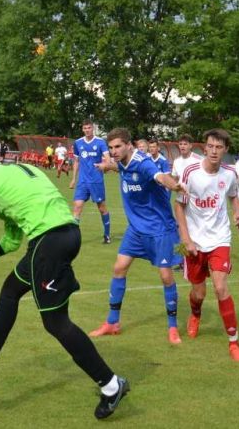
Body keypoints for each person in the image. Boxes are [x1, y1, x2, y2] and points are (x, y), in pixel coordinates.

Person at [0, 138, 129, 419]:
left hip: (48, 243)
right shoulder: (16, 171)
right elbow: (12, 241)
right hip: (65, 236)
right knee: (10, 290)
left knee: (56, 322)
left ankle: (111, 385)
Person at [88, 128, 186, 344]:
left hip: (160, 229)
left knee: (166, 276)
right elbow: (121, 168)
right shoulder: (123, 161)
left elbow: (160, 177)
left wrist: (176, 186)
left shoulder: (143, 162)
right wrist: (108, 166)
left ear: (128, 145)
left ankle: (172, 327)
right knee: (119, 268)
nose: (113, 151)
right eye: (111, 148)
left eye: (117, 147)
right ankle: (113, 322)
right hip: (136, 229)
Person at [174, 129, 239, 362]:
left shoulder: (231, 173)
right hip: (194, 240)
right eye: (210, 146)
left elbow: (233, 195)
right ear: (204, 148)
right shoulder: (190, 172)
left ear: (225, 150)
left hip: (220, 239)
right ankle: (195, 315)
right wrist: (186, 239)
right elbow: (179, 206)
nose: (214, 151)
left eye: (219, 147)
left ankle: (233, 343)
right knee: (199, 292)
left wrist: (236, 212)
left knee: (220, 286)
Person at [70, 120, 112, 244]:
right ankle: (74, 238)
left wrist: (105, 165)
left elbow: (108, 160)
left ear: (92, 128)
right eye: (85, 128)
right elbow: (76, 161)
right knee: (77, 207)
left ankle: (107, 234)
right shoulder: (78, 143)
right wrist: (73, 179)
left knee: (102, 208)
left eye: (89, 127)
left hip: (96, 181)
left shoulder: (100, 142)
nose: (87, 130)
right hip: (82, 181)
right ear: (82, 129)